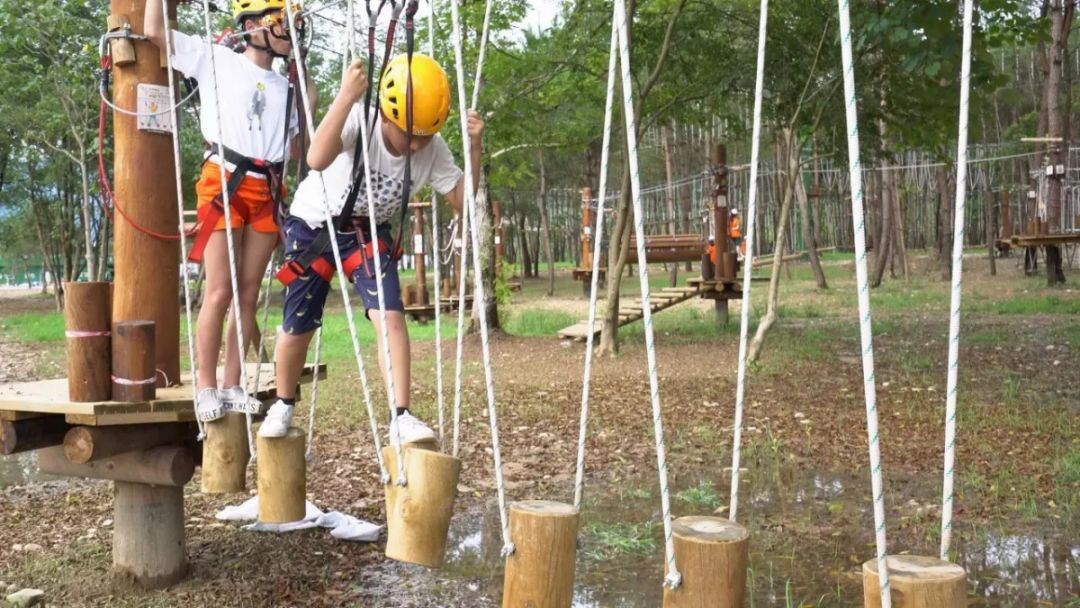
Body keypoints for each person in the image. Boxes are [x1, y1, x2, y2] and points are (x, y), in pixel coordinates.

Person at [261, 53, 484, 443]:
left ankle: (401, 415)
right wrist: (346, 96)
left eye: (425, 136)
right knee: (299, 324)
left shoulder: (432, 148)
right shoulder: (360, 120)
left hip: (366, 234)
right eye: (408, 134)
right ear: (385, 114)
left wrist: (476, 148)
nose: (416, 145)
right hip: (314, 226)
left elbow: (463, 199)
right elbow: (315, 157)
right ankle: (283, 402)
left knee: (391, 316)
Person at [145, 0, 306, 422]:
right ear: (252, 26)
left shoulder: (289, 90)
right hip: (225, 180)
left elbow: (295, 150)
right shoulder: (216, 60)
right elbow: (156, 32)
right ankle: (205, 386)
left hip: (266, 188)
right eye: (280, 23)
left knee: (249, 292)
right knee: (219, 290)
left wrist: (311, 100)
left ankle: (233, 383)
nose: (289, 33)